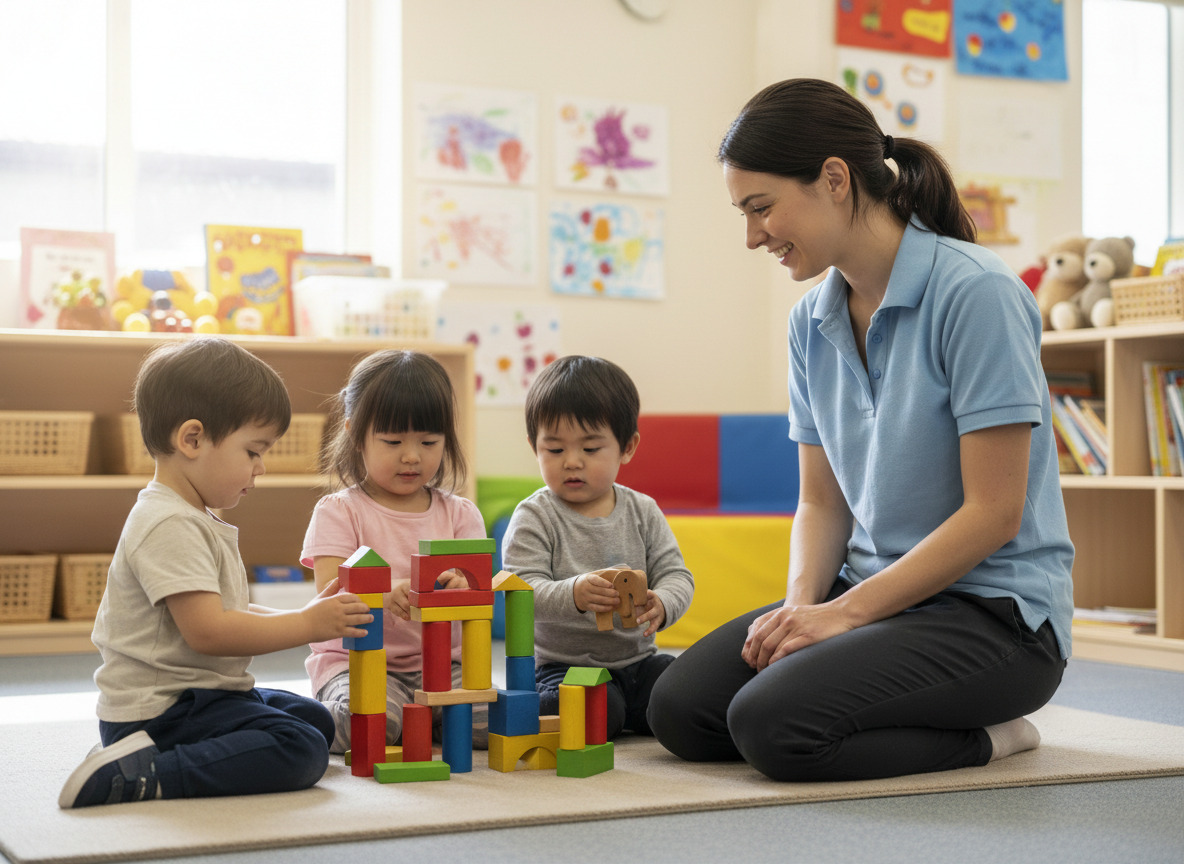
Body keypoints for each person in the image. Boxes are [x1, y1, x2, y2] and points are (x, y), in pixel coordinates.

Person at [647, 78, 1075, 782]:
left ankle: (994, 737)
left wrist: (843, 618)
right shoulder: (808, 321)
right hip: (870, 597)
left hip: (994, 617)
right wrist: (802, 611)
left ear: (835, 180)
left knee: (772, 726)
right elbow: (821, 502)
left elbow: (994, 513)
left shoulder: (977, 293)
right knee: (680, 711)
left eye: (761, 208)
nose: (752, 236)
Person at [59, 338, 374, 808]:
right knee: (300, 748)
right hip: (160, 713)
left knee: (316, 719)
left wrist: (307, 613)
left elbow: (230, 609)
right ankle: (144, 774)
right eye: (252, 451)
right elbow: (210, 631)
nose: (262, 467)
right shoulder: (168, 523)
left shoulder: (192, 515)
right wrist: (307, 625)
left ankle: (137, 758)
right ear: (192, 440)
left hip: (196, 695)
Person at [302, 349, 487, 753]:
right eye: (392, 441)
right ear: (355, 433)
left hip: (443, 665)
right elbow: (331, 594)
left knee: (487, 723)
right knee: (372, 725)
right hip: (359, 662)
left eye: (428, 441)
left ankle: (425, 720)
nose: (412, 456)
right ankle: (298, 715)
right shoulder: (339, 511)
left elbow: (478, 591)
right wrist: (385, 594)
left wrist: (463, 590)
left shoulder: (460, 514)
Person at [502, 355, 694, 739]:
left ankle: (632, 709)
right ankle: (536, 707)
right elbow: (520, 592)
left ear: (627, 447)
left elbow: (676, 575)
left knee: (688, 695)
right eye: (555, 450)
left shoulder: (642, 511)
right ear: (534, 447)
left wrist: (663, 603)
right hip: (564, 667)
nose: (572, 462)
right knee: (596, 712)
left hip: (639, 661)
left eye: (590, 449)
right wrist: (573, 593)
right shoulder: (535, 516)